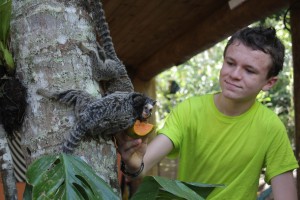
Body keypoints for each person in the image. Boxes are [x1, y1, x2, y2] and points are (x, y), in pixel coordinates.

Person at [116, 26, 299, 199]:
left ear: (269, 83)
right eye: (230, 63)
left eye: (249, 71)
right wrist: (132, 163)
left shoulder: (271, 127)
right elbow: (142, 163)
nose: (234, 74)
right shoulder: (190, 110)